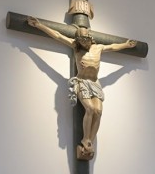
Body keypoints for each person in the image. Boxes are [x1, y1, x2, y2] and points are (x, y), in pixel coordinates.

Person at [26, 17, 137, 161]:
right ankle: (85, 138)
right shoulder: (75, 47)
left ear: (90, 38)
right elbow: (57, 35)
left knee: (98, 111)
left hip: (95, 83)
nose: (84, 41)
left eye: (86, 38)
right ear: (77, 39)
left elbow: (113, 47)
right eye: (81, 39)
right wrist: (39, 25)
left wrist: (126, 45)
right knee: (90, 109)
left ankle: (90, 140)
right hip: (82, 82)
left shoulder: (98, 48)